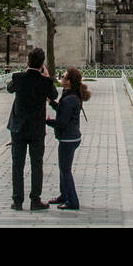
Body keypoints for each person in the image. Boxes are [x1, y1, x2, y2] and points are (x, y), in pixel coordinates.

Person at [6, 46, 58, 210]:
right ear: (43, 64)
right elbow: (54, 95)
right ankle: (35, 199)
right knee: (37, 164)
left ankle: (17, 200)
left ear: (28, 62)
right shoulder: (45, 82)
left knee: (17, 164)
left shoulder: (19, 77)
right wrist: (47, 76)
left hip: (18, 127)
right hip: (36, 128)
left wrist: (26, 70)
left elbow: (9, 88)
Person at [47, 67, 89, 211]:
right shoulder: (70, 94)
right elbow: (62, 110)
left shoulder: (70, 98)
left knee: (65, 170)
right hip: (70, 137)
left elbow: (62, 122)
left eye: (63, 76)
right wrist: (51, 102)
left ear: (69, 81)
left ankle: (72, 200)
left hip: (68, 138)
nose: (61, 78)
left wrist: (47, 121)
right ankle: (64, 195)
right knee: (63, 168)